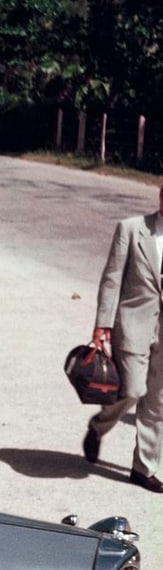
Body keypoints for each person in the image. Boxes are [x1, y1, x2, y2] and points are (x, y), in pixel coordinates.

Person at [82, 183, 163, 493]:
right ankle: (98, 426)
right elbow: (111, 279)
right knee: (132, 389)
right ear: (160, 195)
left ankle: (144, 468)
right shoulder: (131, 229)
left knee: (157, 401)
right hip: (133, 324)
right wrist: (103, 323)